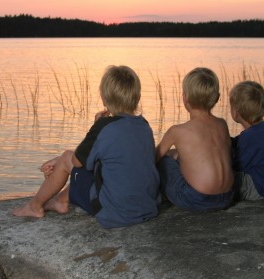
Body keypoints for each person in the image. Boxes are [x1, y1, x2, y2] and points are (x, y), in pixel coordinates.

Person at [12, 65, 161, 228]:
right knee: (98, 164)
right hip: (147, 207)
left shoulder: (103, 127)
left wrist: (94, 127)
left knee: (68, 157)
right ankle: (61, 201)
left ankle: (34, 206)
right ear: (137, 97)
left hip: (114, 212)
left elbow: (76, 162)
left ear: (104, 98)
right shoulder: (144, 125)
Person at [155, 67, 235, 212]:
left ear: (185, 98)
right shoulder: (222, 124)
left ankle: (156, 197)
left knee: (163, 161)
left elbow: (152, 159)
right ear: (217, 98)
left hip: (196, 199)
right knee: (177, 154)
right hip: (227, 197)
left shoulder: (177, 131)